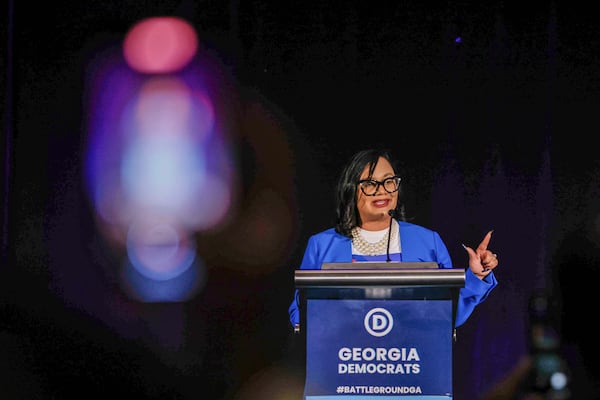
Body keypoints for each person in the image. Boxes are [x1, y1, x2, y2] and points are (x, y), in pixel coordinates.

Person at [288, 148, 499, 330]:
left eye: (389, 181)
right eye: (371, 183)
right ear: (351, 190)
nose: (382, 191)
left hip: (411, 365)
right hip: (343, 367)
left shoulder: (428, 243)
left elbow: (448, 314)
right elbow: (300, 314)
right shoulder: (322, 245)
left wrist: (475, 276)